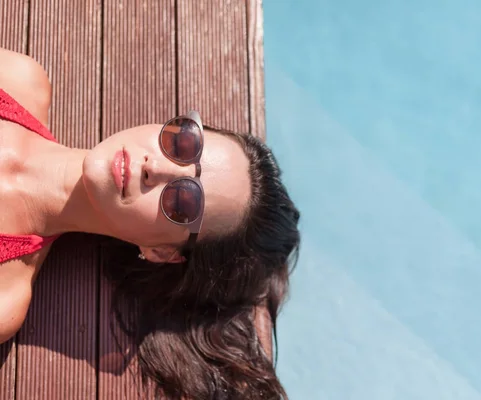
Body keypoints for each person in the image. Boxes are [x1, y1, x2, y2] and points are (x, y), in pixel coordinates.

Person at [0, 47, 300, 400]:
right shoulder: (18, 79)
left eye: (183, 201)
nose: (156, 167)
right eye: (183, 144)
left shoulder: (5, 295)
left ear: (161, 252)